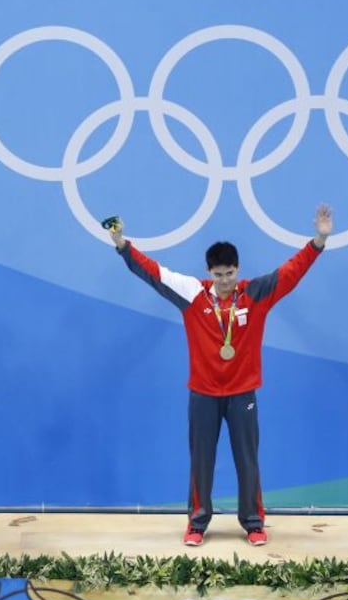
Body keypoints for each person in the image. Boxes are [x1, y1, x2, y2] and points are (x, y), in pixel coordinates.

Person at [108, 204, 333, 547]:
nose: (225, 281)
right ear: (209, 272)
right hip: (203, 394)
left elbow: (292, 271)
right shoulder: (192, 293)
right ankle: (197, 523)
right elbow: (152, 272)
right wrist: (122, 244)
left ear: (237, 269)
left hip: (243, 393)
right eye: (218, 274)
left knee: (247, 461)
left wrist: (318, 239)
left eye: (229, 273)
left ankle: (254, 523)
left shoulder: (255, 293)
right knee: (201, 460)